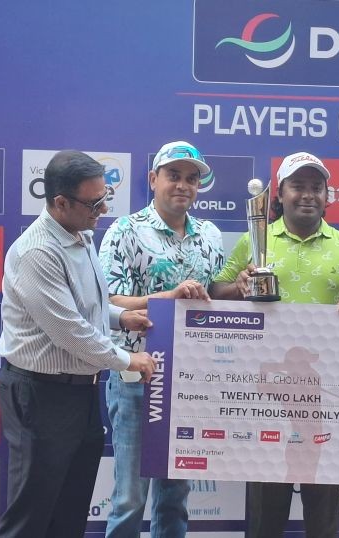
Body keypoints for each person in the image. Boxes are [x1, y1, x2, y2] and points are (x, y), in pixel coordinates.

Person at [211, 151, 339, 538]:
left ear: (328, 196)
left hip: (327, 396)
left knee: (324, 519)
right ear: (280, 194)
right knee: (265, 518)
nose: (308, 194)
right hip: (268, 401)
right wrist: (238, 286)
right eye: (298, 186)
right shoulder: (255, 241)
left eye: (317, 187)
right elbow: (216, 290)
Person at [0, 150, 157, 538]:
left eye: (105, 197)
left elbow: (87, 306)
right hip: (40, 394)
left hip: (80, 392)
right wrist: (127, 359)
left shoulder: (81, 234)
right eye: (94, 202)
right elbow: (69, 330)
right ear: (61, 202)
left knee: (70, 513)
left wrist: (121, 318)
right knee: (30, 516)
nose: (103, 209)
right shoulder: (37, 251)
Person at [99, 140, 225, 538]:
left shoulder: (210, 235)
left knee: (175, 497)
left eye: (192, 179)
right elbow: (106, 301)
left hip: (190, 381)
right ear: (153, 179)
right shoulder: (125, 230)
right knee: (129, 498)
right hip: (136, 376)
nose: (183, 185)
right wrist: (166, 298)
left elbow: (213, 295)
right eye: (173, 176)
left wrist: (238, 288)